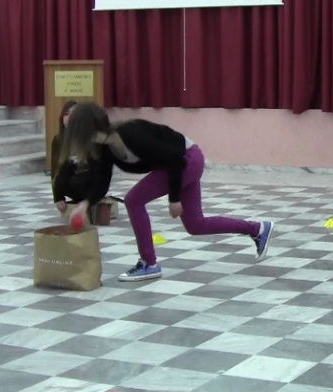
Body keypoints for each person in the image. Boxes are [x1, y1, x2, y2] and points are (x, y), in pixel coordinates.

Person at [61, 101, 274, 282]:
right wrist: (85, 203)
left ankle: (149, 263)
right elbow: (102, 181)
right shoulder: (105, 149)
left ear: (88, 129)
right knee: (195, 225)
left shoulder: (131, 133)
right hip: (177, 164)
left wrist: (174, 198)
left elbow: (173, 159)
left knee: (133, 200)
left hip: (187, 159)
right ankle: (257, 229)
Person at [51, 100, 112, 219]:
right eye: (66, 114)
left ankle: (90, 200)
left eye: (73, 114)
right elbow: (58, 172)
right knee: (68, 178)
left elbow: (101, 172)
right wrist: (58, 197)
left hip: (89, 183)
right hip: (72, 184)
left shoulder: (95, 141)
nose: (69, 117)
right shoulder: (59, 140)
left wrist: (89, 199)